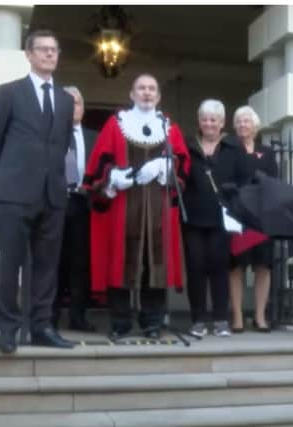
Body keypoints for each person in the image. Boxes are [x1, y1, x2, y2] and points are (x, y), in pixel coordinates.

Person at [0, 29, 76, 353]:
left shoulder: (65, 99)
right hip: (15, 193)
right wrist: (8, 174)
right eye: (44, 49)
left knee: (47, 265)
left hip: (52, 195)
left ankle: (41, 326)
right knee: (11, 262)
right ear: (29, 54)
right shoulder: (9, 92)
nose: (50, 54)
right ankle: (7, 329)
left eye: (54, 50)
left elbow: (60, 144)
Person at [82, 73, 190, 340]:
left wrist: (165, 167)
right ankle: (120, 322)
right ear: (132, 94)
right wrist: (113, 177)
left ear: (158, 96)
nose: (146, 93)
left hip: (158, 210)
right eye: (141, 88)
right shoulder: (116, 124)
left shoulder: (168, 127)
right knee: (121, 262)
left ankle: (152, 322)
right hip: (123, 208)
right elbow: (99, 162)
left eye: (152, 88)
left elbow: (183, 163)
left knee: (154, 265)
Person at [182, 99, 251, 337]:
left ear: (222, 123)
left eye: (214, 119)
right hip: (192, 218)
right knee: (195, 267)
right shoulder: (189, 146)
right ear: (199, 122)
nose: (209, 123)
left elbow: (246, 180)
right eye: (205, 119)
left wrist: (234, 195)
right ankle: (198, 319)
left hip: (222, 219)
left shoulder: (234, 147)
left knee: (220, 267)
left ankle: (221, 319)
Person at [51, 86, 98, 332]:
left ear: (83, 107)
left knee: (81, 264)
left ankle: (78, 317)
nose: (73, 108)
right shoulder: (51, 134)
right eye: (68, 103)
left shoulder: (95, 137)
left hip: (84, 204)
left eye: (77, 103)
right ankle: (50, 317)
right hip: (56, 203)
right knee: (54, 261)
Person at [229, 106, 278, 333]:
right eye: (238, 121)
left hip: (262, 217)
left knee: (263, 267)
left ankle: (260, 317)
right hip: (238, 216)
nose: (242, 125)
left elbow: (274, 183)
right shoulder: (229, 149)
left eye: (246, 121)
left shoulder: (267, 152)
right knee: (237, 267)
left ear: (255, 126)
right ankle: (237, 317)